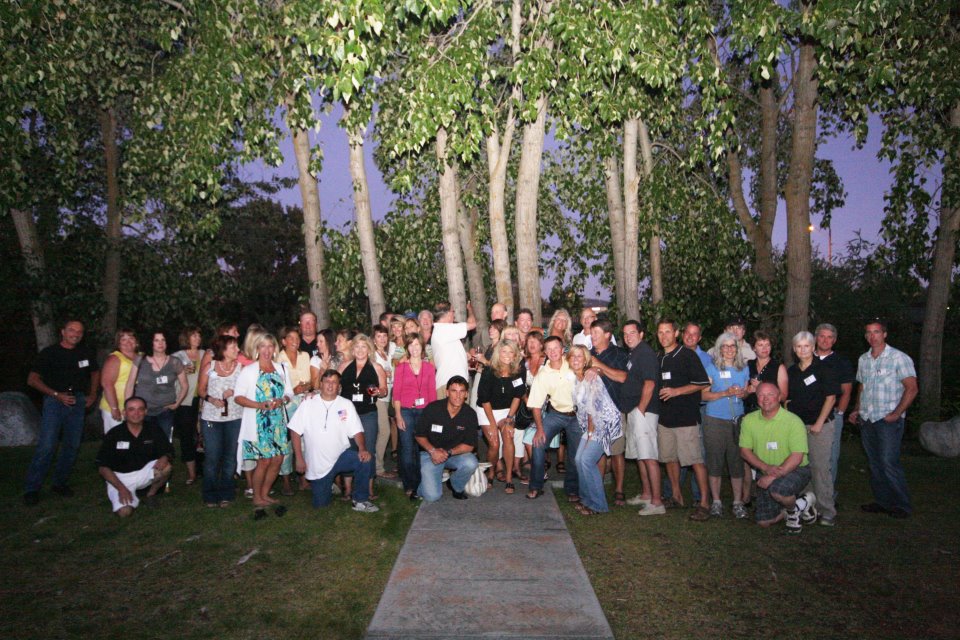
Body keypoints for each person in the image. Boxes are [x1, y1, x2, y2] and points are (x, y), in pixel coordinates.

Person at [23, 319, 100, 506]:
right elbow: (32, 380)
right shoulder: (50, 353)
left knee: (72, 445)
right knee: (47, 445)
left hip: (77, 401)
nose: (76, 334)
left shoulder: (85, 353)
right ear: (63, 332)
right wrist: (56, 395)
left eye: (79, 331)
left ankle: (59, 483)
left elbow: (95, 372)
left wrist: (92, 394)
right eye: (72, 330)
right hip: (54, 402)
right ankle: (32, 488)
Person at [848, 319, 918, 519]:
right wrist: (857, 409)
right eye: (869, 332)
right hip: (868, 419)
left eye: (876, 332)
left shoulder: (898, 358)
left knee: (888, 462)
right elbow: (862, 387)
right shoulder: (864, 359)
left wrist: (896, 413)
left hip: (887, 421)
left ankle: (902, 505)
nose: (873, 336)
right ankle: (883, 501)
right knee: (874, 462)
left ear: (884, 334)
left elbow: (912, 388)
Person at [289, 370, 379, 512]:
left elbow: (357, 430)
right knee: (321, 505)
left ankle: (360, 500)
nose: (330, 385)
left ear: (339, 386)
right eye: (327, 381)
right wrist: (299, 458)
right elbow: (294, 430)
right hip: (318, 466)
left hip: (340, 457)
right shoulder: (308, 403)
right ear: (321, 384)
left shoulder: (346, 404)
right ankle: (328, 485)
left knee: (365, 459)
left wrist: (362, 449)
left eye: (334, 382)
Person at [739, 382, 815, 534]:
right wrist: (766, 468)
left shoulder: (793, 421)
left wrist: (772, 476)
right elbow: (744, 451)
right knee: (763, 522)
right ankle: (800, 504)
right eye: (761, 395)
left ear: (779, 397)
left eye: (770, 395)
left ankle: (793, 512)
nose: (765, 399)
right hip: (766, 469)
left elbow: (797, 456)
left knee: (778, 490)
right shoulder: (748, 420)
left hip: (796, 469)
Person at [656, 320, 711, 521]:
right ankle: (676, 496)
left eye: (667, 332)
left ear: (676, 333)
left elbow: (702, 382)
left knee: (695, 460)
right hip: (665, 419)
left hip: (686, 418)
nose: (664, 336)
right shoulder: (660, 357)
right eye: (660, 332)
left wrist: (676, 391)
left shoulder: (687, 355)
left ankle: (704, 503)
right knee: (670, 458)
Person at [235, 333, 294, 517]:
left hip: (278, 421)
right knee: (264, 460)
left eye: (270, 346)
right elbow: (238, 397)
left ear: (274, 348)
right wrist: (259, 405)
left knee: (278, 458)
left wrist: (282, 400)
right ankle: (256, 496)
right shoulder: (249, 371)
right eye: (263, 346)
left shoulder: (281, 368)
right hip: (258, 421)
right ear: (257, 349)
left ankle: (265, 493)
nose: (267, 350)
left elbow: (289, 392)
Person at [786, 331, 839, 525]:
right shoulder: (792, 371)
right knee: (802, 467)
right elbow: (788, 398)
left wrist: (818, 423)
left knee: (820, 467)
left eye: (806, 346)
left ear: (813, 347)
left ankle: (827, 510)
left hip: (820, 426)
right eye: (799, 346)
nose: (802, 350)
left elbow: (831, 398)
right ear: (794, 349)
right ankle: (808, 507)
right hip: (798, 426)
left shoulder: (824, 368)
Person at [95, 396, 174, 517]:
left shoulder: (153, 429)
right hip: (120, 478)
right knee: (125, 513)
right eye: (131, 409)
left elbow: (168, 450)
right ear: (124, 413)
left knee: (166, 467)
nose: (136, 413)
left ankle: (150, 494)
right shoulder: (114, 434)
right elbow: (102, 467)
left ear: (145, 412)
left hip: (144, 473)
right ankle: (125, 495)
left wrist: (165, 457)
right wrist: (121, 489)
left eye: (140, 409)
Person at [701, 333, 750, 519]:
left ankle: (737, 502)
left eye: (732, 346)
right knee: (714, 461)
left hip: (737, 419)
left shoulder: (743, 368)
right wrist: (724, 393)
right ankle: (716, 501)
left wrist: (743, 394)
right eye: (725, 346)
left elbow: (746, 392)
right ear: (719, 348)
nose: (729, 349)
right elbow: (703, 395)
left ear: (737, 349)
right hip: (715, 419)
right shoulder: (711, 368)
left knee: (736, 461)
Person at [569, 345, 623, 515]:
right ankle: (586, 500)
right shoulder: (576, 379)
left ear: (586, 360)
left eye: (579, 356)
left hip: (603, 424)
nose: (576, 359)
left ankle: (598, 504)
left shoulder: (591, 378)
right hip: (591, 426)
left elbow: (594, 409)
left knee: (586, 459)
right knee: (579, 459)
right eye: (573, 356)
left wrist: (590, 434)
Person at [526, 336, 581, 501]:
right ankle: (536, 486)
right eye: (549, 349)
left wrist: (593, 370)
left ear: (562, 349)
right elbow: (535, 405)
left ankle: (572, 489)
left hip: (577, 415)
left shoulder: (572, 363)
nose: (553, 352)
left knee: (575, 454)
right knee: (538, 444)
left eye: (556, 347)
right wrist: (539, 429)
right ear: (545, 352)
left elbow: (588, 368)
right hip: (556, 414)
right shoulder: (543, 374)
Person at [621, 321, 665, 516]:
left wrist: (640, 410)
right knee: (640, 455)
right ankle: (647, 494)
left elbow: (650, 384)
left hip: (644, 412)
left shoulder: (645, 353)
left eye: (632, 333)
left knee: (649, 456)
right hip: (634, 410)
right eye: (625, 334)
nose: (628, 337)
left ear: (641, 334)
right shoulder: (634, 353)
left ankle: (657, 502)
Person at [415, 376, 480, 502]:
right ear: (447, 392)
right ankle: (420, 488)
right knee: (432, 497)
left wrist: (448, 452)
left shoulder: (470, 414)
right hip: (430, 453)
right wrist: (433, 451)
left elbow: (469, 445)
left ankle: (456, 485)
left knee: (471, 462)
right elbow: (419, 435)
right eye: (454, 391)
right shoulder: (433, 408)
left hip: (453, 454)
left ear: (466, 394)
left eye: (462, 391)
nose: (458, 396)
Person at [339, 333, 388, 499]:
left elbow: (384, 391)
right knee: (348, 448)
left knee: (369, 448)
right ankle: (347, 489)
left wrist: (379, 391)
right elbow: (334, 387)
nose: (360, 350)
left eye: (364, 347)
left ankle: (369, 488)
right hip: (347, 414)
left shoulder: (376, 367)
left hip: (368, 413)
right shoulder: (344, 366)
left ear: (369, 349)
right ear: (353, 349)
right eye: (357, 347)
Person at [197, 335, 244, 507]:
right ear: (223, 350)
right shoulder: (210, 367)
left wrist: (235, 391)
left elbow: (246, 390)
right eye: (233, 347)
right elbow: (200, 390)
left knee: (230, 456)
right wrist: (211, 399)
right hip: (211, 419)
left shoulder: (241, 369)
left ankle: (226, 492)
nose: (237, 349)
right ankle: (209, 493)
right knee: (212, 456)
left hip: (234, 418)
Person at [476, 339, 526, 493]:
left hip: (507, 410)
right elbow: (484, 399)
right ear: (498, 353)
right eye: (504, 351)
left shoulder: (519, 370)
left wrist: (509, 418)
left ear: (515, 355)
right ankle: (491, 473)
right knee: (494, 443)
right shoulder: (489, 370)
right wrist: (492, 424)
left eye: (511, 352)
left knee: (508, 435)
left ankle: (509, 478)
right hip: (487, 410)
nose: (507, 355)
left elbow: (517, 396)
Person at [587, 318, 628, 506]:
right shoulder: (587, 354)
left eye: (596, 333)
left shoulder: (620, 353)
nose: (592, 336)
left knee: (617, 451)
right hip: (594, 412)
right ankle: (599, 488)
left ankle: (619, 490)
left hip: (616, 408)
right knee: (599, 451)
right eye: (591, 332)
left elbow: (623, 377)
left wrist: (599, 366)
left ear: (607, 334)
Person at [814, 322, 856, 500]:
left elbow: (846, 391)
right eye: (822, 336)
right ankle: (809, 494)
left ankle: (828, 495)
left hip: (832, 416)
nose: (825, 340)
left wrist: (839, 414)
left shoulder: (841, 362)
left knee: (830, 456)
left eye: (829, 337)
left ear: (834, 340)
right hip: (808, 416)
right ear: (816, 338)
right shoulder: (807, 357)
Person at [392, 333, 437, 499]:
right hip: (405, 410)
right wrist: (398, 415)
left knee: (422, 448)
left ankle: (422, 482)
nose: (414, 348)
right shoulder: (401, 368)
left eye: (417, 344)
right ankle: (410, 484)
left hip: (424, 412)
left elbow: (432, 393)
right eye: (411, 345)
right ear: (407, 348)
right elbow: (396, 393)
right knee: (407, 448)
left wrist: (432, 417)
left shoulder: (429, 367)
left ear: (422, 347)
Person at [125, 331, 189, 443]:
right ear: (151, 343)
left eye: (163, 340)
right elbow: (130, 383)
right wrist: (127, 406)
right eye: (156, 340)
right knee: (143, 441)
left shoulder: (175, 362)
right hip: (143, 410)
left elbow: (184, 385)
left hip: (165, 410)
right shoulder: (140, 360)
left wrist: (177, 404)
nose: (160, 343)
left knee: (163, 442)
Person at [277, 326, 314, 494]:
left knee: (305, 440)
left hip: (304, 402)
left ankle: (303, 478)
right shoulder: (278, 359)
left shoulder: (305, 356)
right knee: (286, 441)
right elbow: (277, 385)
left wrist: (305, 386)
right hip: (286, 403)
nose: (295, 341)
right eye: (291, 338)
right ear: (283, 341)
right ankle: (286, 480)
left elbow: (311, 380)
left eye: (297, 338)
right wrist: (293, 389)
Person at [172, 326, 203, 485]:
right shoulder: (177, 356)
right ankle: (191, 473)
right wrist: (181, 371)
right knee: (187, 435)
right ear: (186, 338)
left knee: (202, 434)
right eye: (193, 335)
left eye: (198, 335)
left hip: (203, 400)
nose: (197, 338)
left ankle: (202, 467)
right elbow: (167, 376)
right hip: (185, 400)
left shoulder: (205, 354)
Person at [430, 300, 477, 397]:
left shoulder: (441, 331)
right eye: (452, 311)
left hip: (451, 382)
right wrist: (470, 310)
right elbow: (472, 324)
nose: (453, 315)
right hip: (451, 384)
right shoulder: (444, 329)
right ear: (447, 313)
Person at [99, 328, 138, 433]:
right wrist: (114, 408)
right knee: (116, 437)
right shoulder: (115, 358)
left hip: (135, 407)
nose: (128, 342)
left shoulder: (140, 357)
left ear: (136, 341)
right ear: (118, 343)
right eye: (123, 339)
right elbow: (107, 384)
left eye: (131, 338)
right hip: (116, 407)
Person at [372, 325, 397, 479]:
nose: (382, 339)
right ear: (373, 339)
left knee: (383, 430)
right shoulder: (373, 355)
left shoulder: (388, 353)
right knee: (384, 431)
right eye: (379, 336)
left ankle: (376, 464)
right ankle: (378, 468)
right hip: (378, 398)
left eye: (384, 335)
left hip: (388, 396)